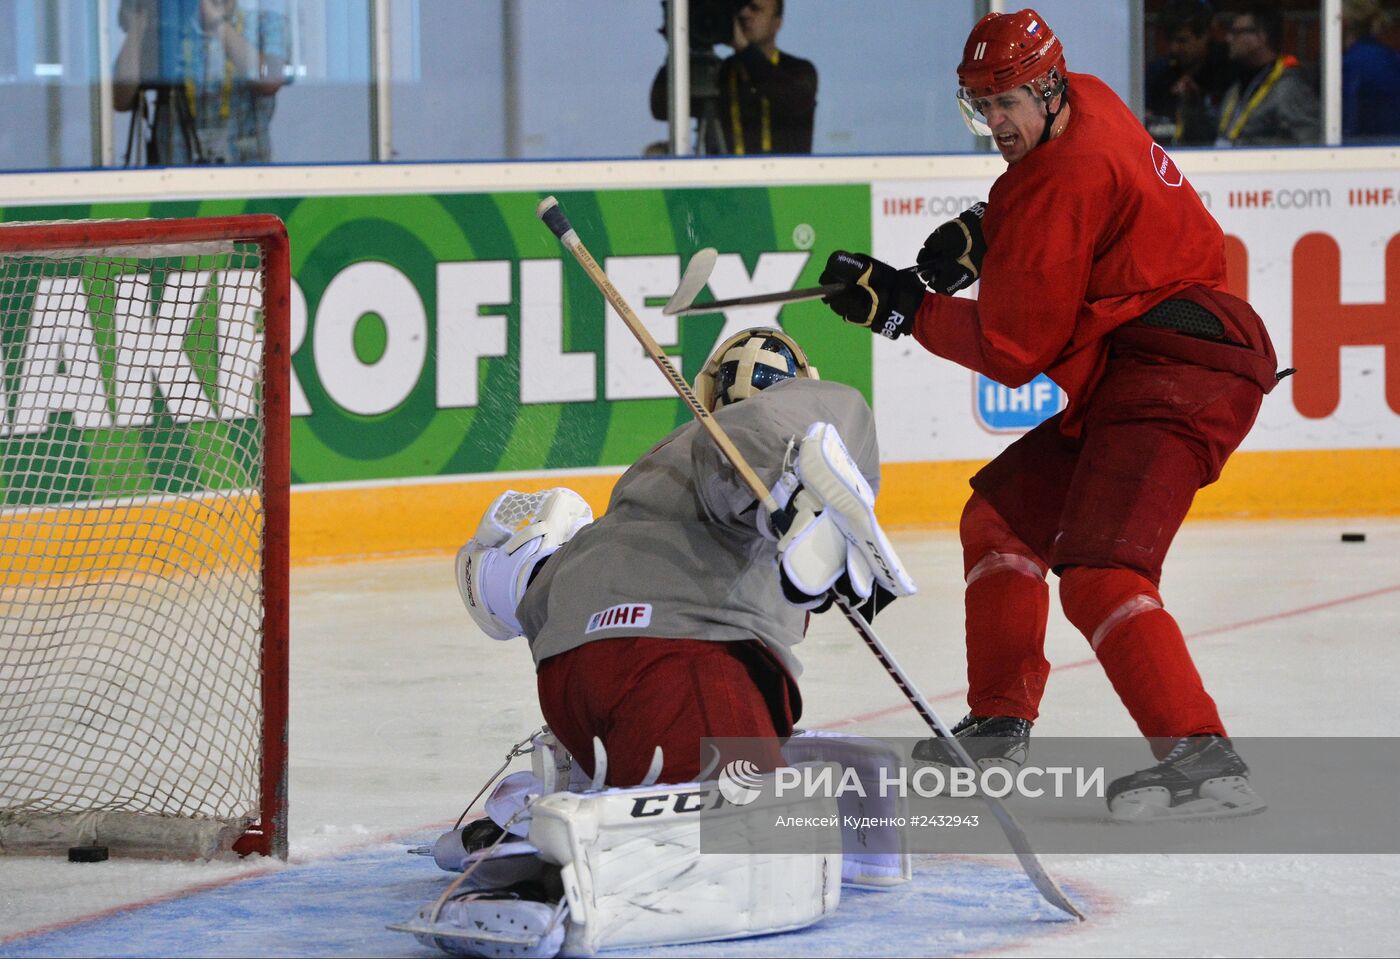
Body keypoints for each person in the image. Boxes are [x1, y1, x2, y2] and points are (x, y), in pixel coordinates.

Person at [817, 9, 1282, 821]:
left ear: (1048, 87)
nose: (993, 124)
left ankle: (1203, 758)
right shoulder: (1088, 102)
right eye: (979, 107)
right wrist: (987, 231)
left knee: (1102, 572)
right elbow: (1072, 219)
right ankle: (998, 724)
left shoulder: (1064, 175)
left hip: (1184, 371)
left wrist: (899, 308)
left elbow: (1013, 349)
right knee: (999, 521)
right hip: (1148, 366)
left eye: (1005, 105)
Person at [458, 328, 913, 788]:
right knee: (738, 831)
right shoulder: (766, 428)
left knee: (642, 818)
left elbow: (523, 598)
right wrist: (790, 488)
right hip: (683, 662)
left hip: (569, 677)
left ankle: (532, 816)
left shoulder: (649, 470)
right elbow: (753, 439)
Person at [113, 0, 288, 165]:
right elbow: (121, 99)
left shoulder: (264, 23)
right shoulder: (168, 29)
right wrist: (139, 22)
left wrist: (218, 25)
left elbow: (269, 79)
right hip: (175, 179)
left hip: (248, 177)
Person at [650, 0, 818, 154]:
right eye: (740, 8)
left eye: (755, 8)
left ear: (777, 22)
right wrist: (680, 43)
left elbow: (793, 99)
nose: (744, 14)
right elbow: (661, 107)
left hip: (785, 183)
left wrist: (743, 47)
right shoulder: (718, 74)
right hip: (728, 184)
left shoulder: (799, 70)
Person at [1215, 4, 1320, 146]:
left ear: (1261, 37)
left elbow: (1310, 141)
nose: (1229, 38)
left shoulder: (1288, 88)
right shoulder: (1237, 87)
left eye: (1237, 32)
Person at [1143, 0, 1236, 146]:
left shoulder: (1228, 72)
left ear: (1205, 35)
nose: (1174, 48)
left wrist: (1194, 104)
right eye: (1170, 40)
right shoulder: (1159, 73)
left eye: (1182, 40)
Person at [1342, 0, 1400, 143]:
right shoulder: (1393, 58)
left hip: (1366, 153)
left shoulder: (1350, 65)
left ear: (1342, 24)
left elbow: (1348, 125)